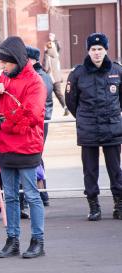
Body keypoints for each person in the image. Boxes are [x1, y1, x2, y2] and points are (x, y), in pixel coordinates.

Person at [0, 36, 46, 259]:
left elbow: (31, 116)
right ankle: (13, 240)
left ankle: (38, 241)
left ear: (17, 60)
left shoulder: (35, 82)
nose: (3, 67)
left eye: (6, 63)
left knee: (31, 195)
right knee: (9, 196)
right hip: (6, 145)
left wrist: (2, 122)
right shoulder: (6, 76)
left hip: (27, 145)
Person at [65, 32, 122, 221]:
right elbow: (71, 101)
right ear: (88, 51)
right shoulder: (78, 74)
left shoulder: (117, 70)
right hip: (88, 129)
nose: (97, 53)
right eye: (93, 49)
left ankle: (119, 204)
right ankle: (94, 206)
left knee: (115, 170)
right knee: (90, 170)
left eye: (100, 49)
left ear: (106, 50)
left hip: (112, 128)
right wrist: (83, 118)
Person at [26, 46, 53, 206]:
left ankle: (42, 194)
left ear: (33, 60)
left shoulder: (40, 77)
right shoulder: (40, 75)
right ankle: (42, 194)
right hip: (39, 122)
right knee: (35, 158)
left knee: (34, 158)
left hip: (39, 123)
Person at [43, 41, 69, 116]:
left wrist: (45, 54)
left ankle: (46, 112)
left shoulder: (47, 55)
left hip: (51, 78)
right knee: (59, 94)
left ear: (47, 47)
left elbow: (45, 68)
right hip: (57, 78)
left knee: (46, 95)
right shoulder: (56, 55)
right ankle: (65, 108)